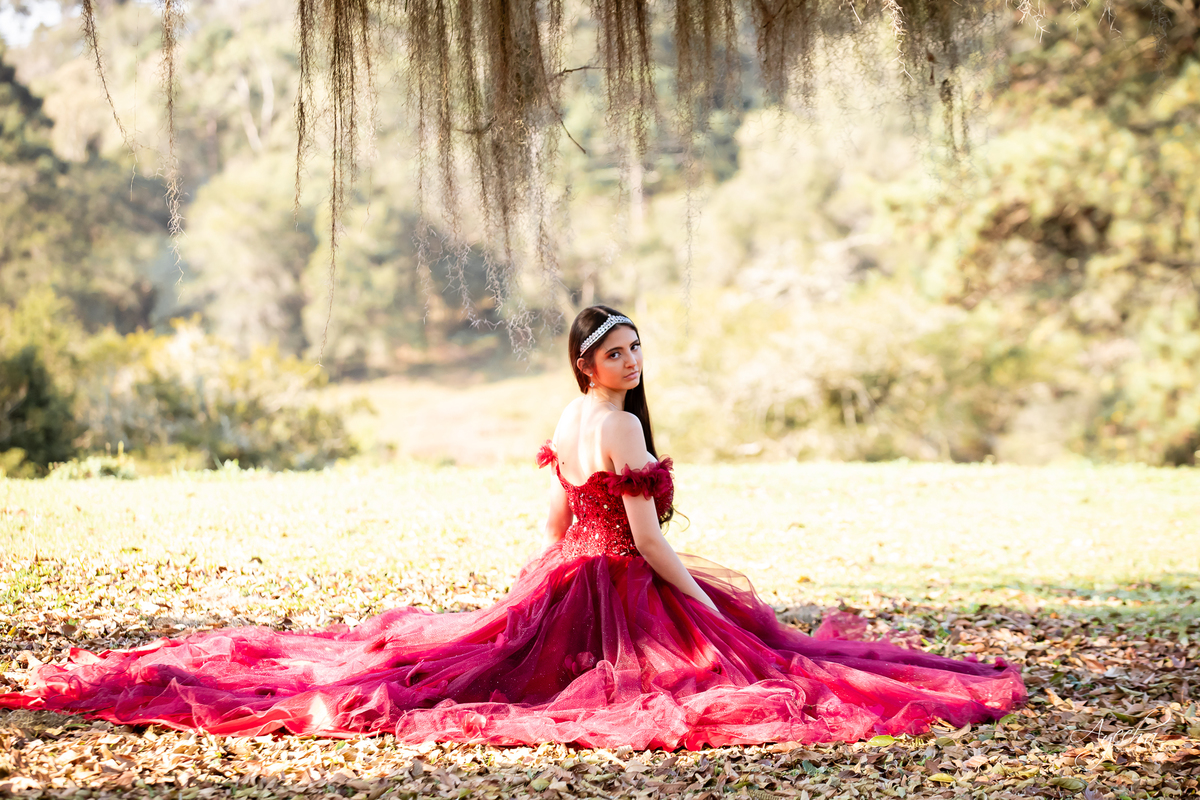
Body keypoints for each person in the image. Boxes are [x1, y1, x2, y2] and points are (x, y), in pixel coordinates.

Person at [0, 305, 1025, 749]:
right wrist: (707, 601)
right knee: (753, 668)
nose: (632, 359)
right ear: (587, 363)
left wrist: (535, 583)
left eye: (636, 346)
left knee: (492, 665)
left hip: (570, 574)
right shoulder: (615, 421)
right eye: (616, 349)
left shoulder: (570, 416)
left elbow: (550, 512)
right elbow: (649, 540)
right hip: (618, 584)